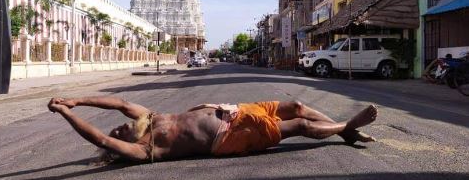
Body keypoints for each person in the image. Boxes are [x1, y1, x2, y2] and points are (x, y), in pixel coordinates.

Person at [47, 96, 378, 163]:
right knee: (301, 125)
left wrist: (76, 99)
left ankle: (344, 130)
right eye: (119, 133)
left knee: (297, 107)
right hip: (230, 137)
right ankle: (347, 127)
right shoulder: (147, 149)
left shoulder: (148, 117)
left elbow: (119, 103)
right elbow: (99, 138)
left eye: (118, 129)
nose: (117, 129)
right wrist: (66, 115)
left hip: (235, 110)